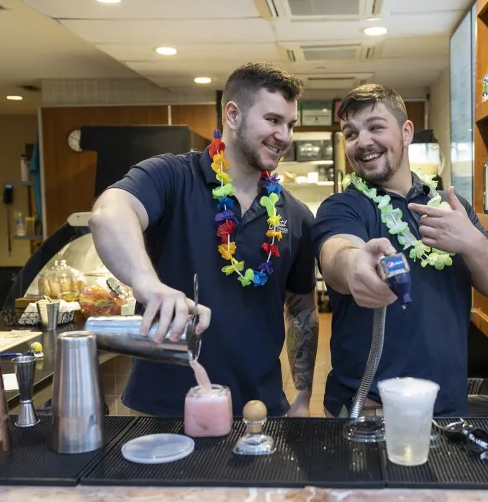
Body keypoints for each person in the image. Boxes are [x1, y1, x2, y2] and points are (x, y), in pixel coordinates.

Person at [88, 62, 318, 417]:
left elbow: (302, 309)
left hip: (259, 410)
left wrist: (302, 396)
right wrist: (148, 284)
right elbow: (108, 212)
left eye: (290, 125)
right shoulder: (173, 176)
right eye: (273, 120)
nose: (285, 136)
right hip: (163, 410)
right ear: (233, 115)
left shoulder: (296, 214)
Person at [313, 84, 488, 417]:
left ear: (406, 132)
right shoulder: (343, 206)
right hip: (371, 407)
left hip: (447, 406)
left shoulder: (451, 207)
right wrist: (357, 267)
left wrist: (471, 240)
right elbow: (337, 253)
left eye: (376, 127)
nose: (363, 141)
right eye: (350, 133)